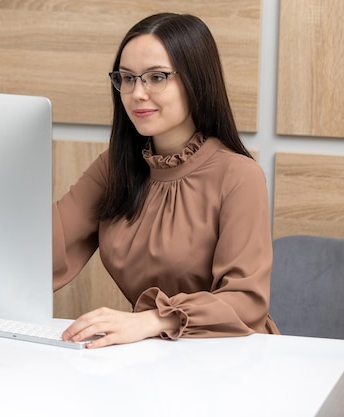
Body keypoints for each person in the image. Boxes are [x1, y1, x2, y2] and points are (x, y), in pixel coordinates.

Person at [54, 12, 279, 349]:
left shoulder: (239, 176)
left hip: (231, 357)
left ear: (196, 81)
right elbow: (45, 246)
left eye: (156, 77)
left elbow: (246, 301)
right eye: (127, 78)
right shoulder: (115, 168)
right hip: (152, 358)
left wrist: (153, 320)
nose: (137, 93)